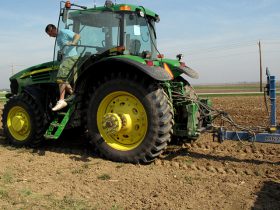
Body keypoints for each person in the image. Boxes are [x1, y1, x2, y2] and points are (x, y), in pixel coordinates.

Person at [45, 24, 80, 111]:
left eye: (50, 34)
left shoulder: (64, 32)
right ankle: (73, 94)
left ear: (53, 30)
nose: (50, 36)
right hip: (66, 58)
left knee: (61, 78)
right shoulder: (58, 37)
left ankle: (61, 100)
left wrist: (73, 42)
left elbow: (77, 35)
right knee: (63, 79)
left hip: (71, 57)